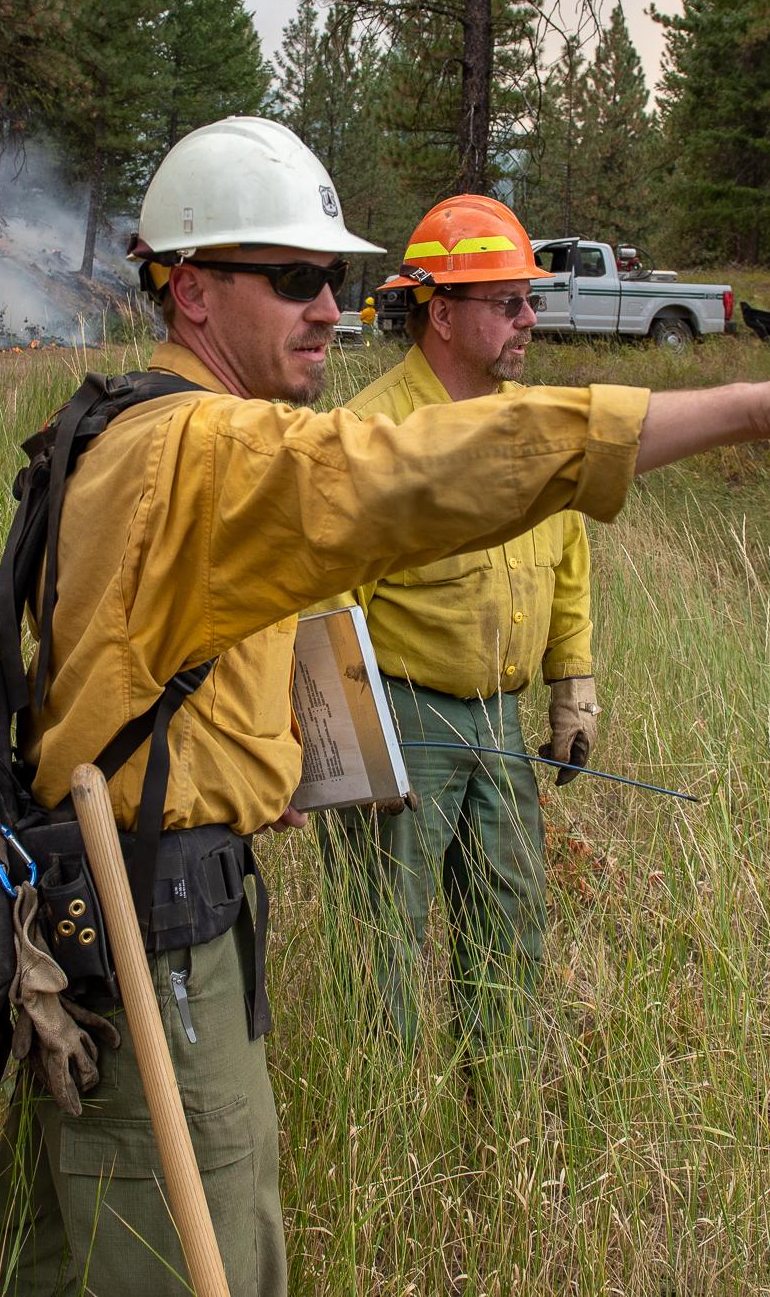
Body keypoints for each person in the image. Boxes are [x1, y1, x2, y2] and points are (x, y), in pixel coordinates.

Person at [0, 116, 770, 1296]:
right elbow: (413, 474)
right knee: (196, 1260)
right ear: (190, 291)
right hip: (154, 948)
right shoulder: (205, 446)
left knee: (42, 1256)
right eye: (293, 280)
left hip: (101, 905)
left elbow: (155, 651)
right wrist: (748, 406)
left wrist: (255, 760)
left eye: (332, 280)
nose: (327, 309)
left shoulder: (120, 419)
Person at [326, 195, 583, 1054]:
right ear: (443, 314)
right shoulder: (372, 431)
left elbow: (569, 554)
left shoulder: (532, 420)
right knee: (384, 940)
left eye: (530, 302)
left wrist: (571, 684)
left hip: (503, 720)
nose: (528, 321)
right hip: (405, 718)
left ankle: (498, 1116)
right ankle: (385, 1130)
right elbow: (330, 602)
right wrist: (356, 749)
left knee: (510, 926)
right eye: (508, 304)